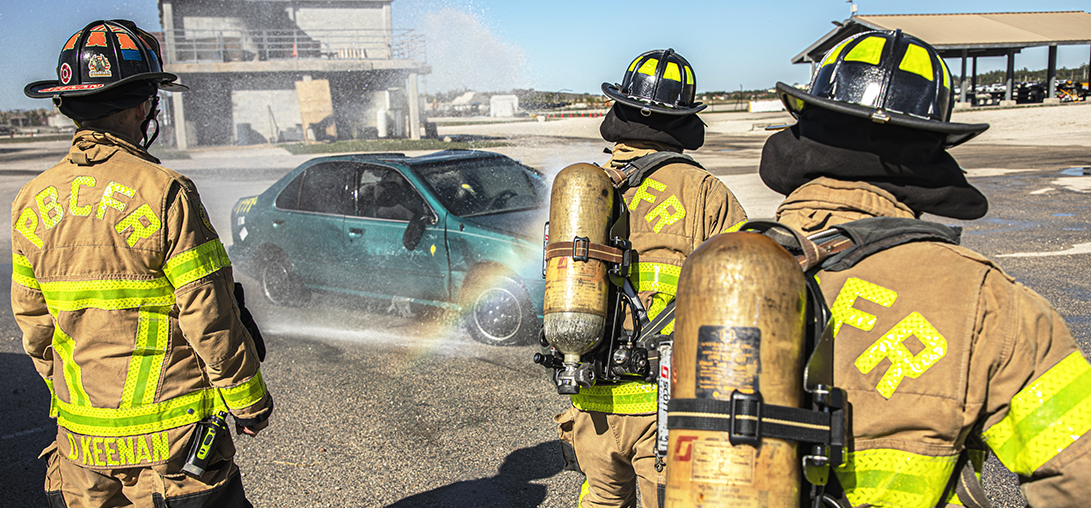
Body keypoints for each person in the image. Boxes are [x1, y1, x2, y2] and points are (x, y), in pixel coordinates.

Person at [760, 29, 1091, 507]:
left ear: (804, 129)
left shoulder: (723, 270)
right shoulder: (984, 300)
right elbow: (1078, 478)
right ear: (930, 150)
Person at [16, 19, 272, 507]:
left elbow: (35, 328)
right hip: (173, 455)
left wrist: (80, 395)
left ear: (69, 106)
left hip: (82, 450)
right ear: (141, 103)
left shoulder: (30, 201)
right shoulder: (164, 192)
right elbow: (210, 313)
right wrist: (247, 400)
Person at [554, 48, 748, 508]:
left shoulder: (586, 190)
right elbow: (744, 296)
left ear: (617, 113)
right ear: (683, 123)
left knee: (599, 498)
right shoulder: (705, 193)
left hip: (590, 400)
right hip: (663, 410)